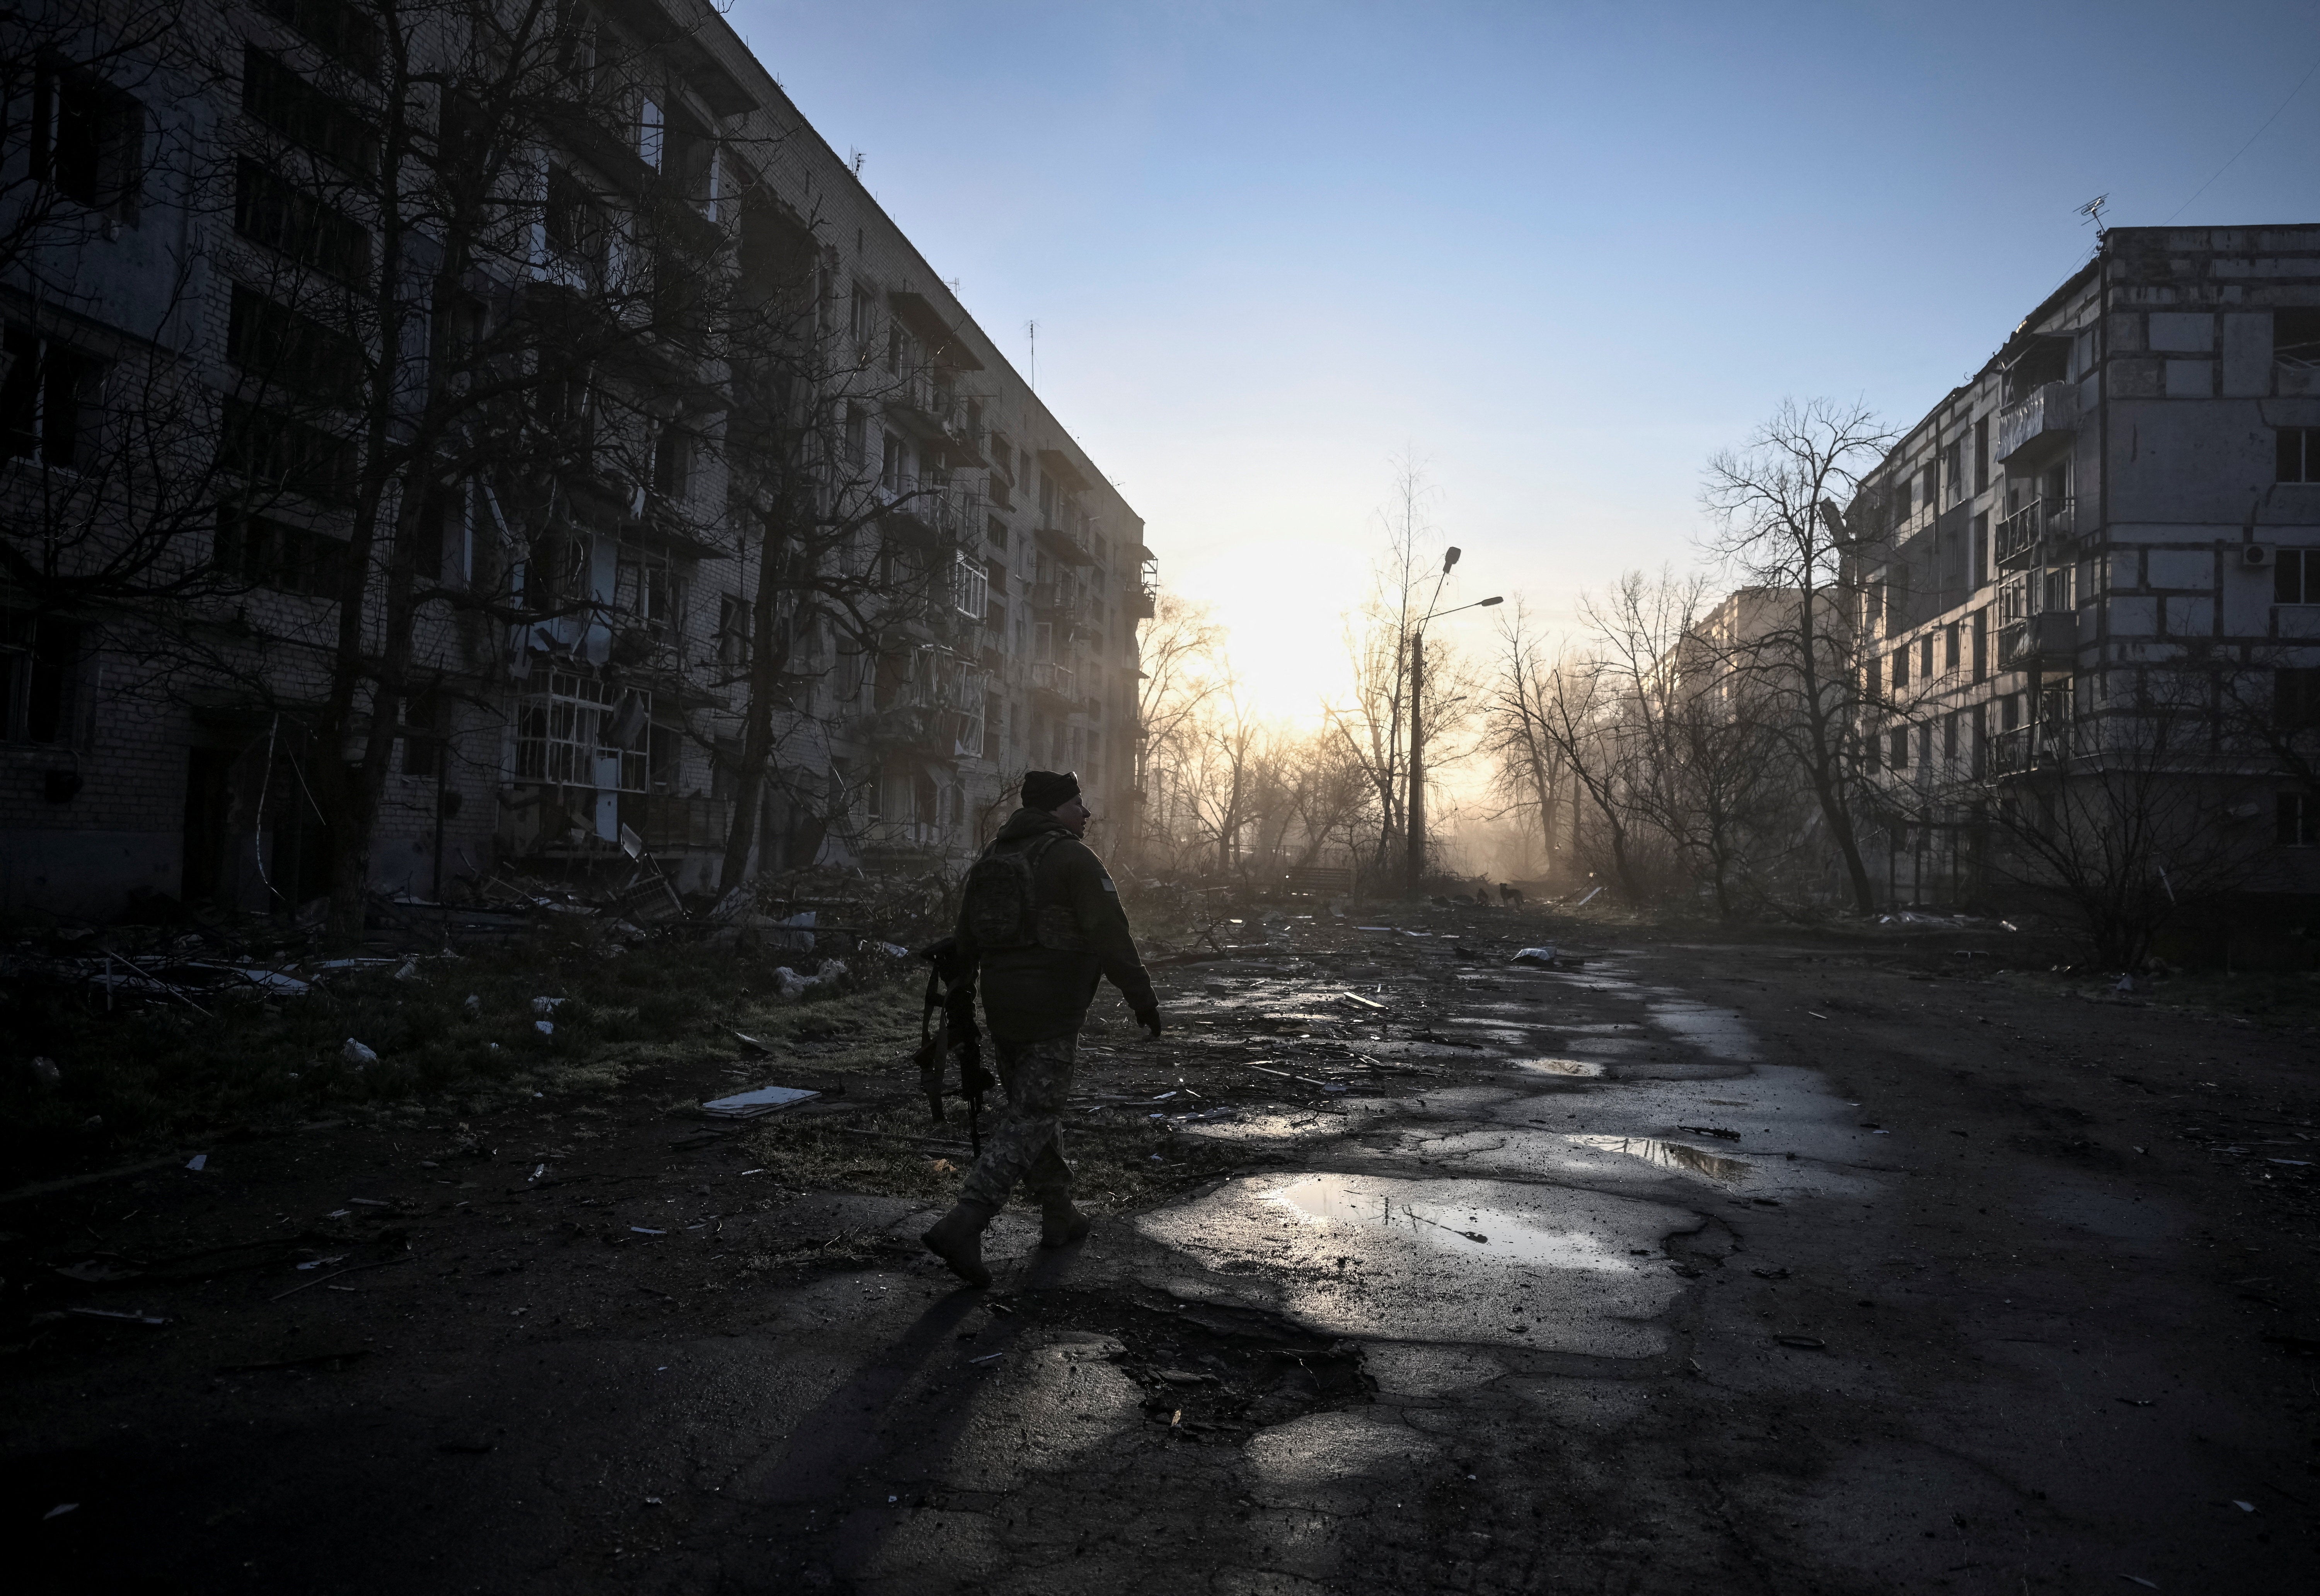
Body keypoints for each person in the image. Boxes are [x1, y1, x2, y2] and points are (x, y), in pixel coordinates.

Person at [922, 769, 1162, 1286]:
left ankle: (1059, 1212)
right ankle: (966, 1221)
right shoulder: (1073, 858)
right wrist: (1142, 997)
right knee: (1033, 1115)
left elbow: (966, 937)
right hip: (1052, 1010)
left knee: (1033, 1107)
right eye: (1078, 803)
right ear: (1055, 809)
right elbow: (1111, 934)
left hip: (1002, 1007)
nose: (1086, 813)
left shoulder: (995, 856)